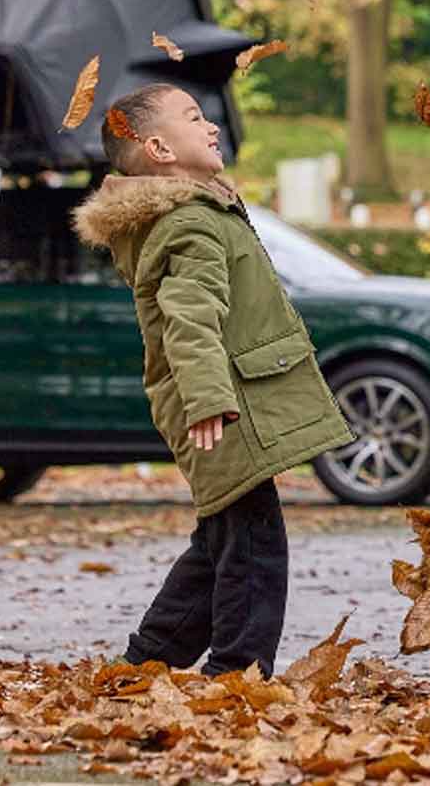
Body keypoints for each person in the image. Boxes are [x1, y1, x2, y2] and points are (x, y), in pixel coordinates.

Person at [72, 84, 354, 677]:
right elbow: (190, 318)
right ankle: (236, 675)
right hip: (221, 408)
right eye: (194, 117)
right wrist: (206, 400)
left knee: (221, 542)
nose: (212, 126)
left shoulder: (192, 214)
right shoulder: (188, 223)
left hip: (221, 402)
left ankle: (144, 663)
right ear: (159, 149)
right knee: (253, 548)